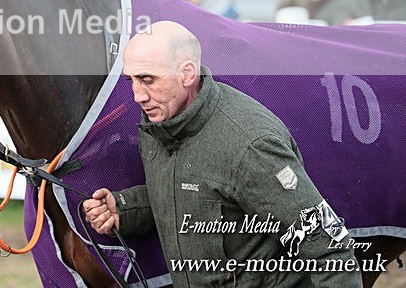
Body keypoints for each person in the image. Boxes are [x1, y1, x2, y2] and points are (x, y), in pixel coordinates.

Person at [83, 21, 361, 287]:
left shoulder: (250, 145)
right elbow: (195, 193)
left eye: (147, 79)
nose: (137, 96)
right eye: (131, 80)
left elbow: (331, 249)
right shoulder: (159, 121)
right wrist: (125, 208)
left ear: (187, 74)